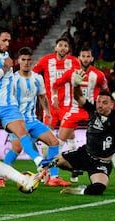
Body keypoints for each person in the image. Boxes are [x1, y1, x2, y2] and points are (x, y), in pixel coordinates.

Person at [0, 26, 51, 175]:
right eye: (4, 40)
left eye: (9, 40)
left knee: (22, 132)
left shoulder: (5, 54)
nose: (7, 43)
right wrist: (6, 67)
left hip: (8, 106)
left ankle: (38, 161)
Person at [52, 46, 115, 183]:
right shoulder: (71, 73)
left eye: (88, 56)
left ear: (92, 58)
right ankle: (53, 174)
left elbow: (106, 92)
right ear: (79, 58)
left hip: (95, 109)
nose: (86, 59)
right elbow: (56, 85)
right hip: (76, 108)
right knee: (61, 139)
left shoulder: (98, 75)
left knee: (112, 133)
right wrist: (55, 97)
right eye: (83, 56)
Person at [0, 47, 63, 187]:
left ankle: (53, 177)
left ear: (32, 61)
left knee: (54, 142)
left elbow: (42, 97)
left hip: (32, 120)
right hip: (16, 120)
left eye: (28, 60)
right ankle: (1, 177)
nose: (26, 62)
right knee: (17, 148)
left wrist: (48, 112)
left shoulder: (38, 78)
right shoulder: (12, 79)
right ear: (18, 61)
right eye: (23, 59)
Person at [55, 82, 115, 195]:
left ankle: (79, 190)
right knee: (57, 161)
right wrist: (76, 85)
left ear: (112, 105)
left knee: (98, 188)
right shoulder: (92, 111)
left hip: (101, 162)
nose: (100, 105)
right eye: (99, 102)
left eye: (105, 103)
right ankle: (77, 169)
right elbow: (78, 97)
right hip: (85, 153)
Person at [32, 37, 80, 186]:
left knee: (70, 135)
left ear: (68, 49)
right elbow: (32, 74)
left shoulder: (74, 61)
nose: (63, 48)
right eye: (60, 45)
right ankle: (48, 170)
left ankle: (73, 168)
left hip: (68, 105)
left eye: (65, 46)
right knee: (48, 138)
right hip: (51, 107)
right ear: (56, 47)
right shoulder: (46, 60)